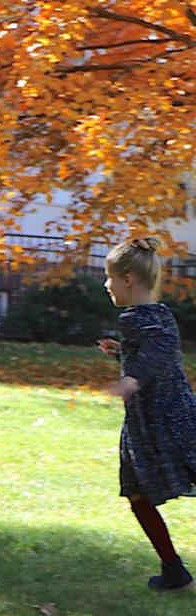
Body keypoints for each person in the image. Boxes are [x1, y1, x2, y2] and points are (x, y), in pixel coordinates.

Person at [99, 236, 196, 591]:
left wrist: (131, 378)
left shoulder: (136, 317)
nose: (105, 284)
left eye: (109, 277)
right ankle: (173, 571)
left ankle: (173, 569)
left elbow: (160, 348)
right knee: (136, 493)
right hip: (147, 423)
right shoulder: (157, 314)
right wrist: (123, 353)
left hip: (167, 419)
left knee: (143, 493)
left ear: (127, 279)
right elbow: (158, 347)